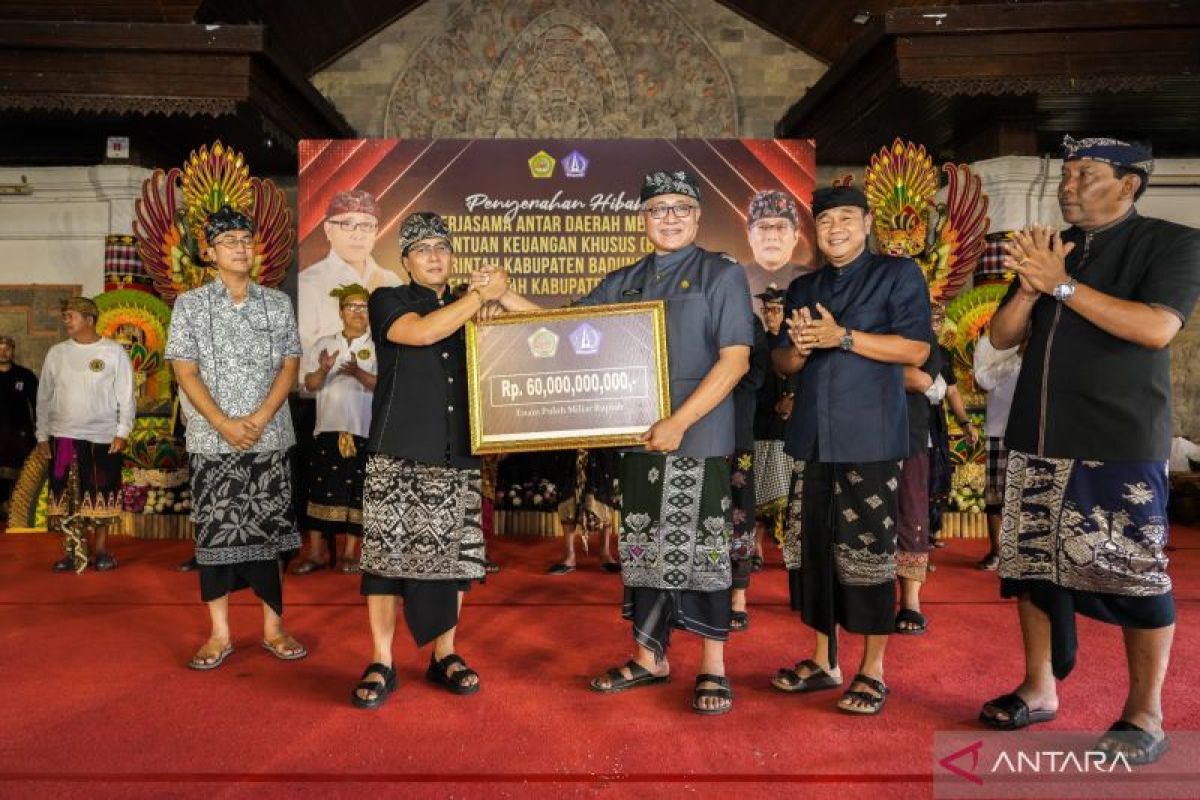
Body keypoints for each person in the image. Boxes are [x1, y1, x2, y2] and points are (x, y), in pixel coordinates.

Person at [495, 170, 754, 715]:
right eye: (658, 208)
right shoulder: (624, 279)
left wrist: (680, 421)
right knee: (643, 550)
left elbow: (736, 360)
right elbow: (566, 329)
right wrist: (505, 297)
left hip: (697, 435)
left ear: (699, 215)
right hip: (636, 437)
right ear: (643, 219)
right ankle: (648, 656)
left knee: (703, 551)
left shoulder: (721, 274)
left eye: (681, 207)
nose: (670, 217)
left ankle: (713, 666)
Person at [979, 136, 1200, 765]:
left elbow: (1156, 328)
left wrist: (1064, 286)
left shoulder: (1171, 243)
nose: (1069, 185)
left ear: (1128, 185)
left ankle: (1144, 712)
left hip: (1118, 443)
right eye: (1066, 174)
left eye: (1086, 174)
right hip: (1037, 440)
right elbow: (1001, 337)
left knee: (1136, 576)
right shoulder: (1059, 250)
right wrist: (1028, 286)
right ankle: (1039, 686)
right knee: (1031, 572)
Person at [769, 186, 931, 716]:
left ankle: (872, 669)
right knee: (813, 551)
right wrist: (797, 345)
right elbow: (784, 367)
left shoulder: (897, 275)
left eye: (845, 218)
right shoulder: (803, 285)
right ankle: (824, 660)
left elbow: (914, 350)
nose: (834, 228)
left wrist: (842, 338)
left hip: (872, 437)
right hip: (814, 437)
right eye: (824, 221)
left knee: (868, 554)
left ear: (866, 222)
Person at [351, 212, 507, 709]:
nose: (434, 256)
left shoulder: (468, 305)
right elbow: (418, 334)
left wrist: (497, 293)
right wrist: (479, 297)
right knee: (385, 562)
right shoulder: (387, 299)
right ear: (406, 262)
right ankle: (382, 660)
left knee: (453, 560)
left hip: (456, 448)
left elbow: (529, 329)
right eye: (423, 250)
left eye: (442, 246)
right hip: (398, 447)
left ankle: (446, 653)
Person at [166, 205, 306, 670]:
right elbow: (183, 369)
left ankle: (274, 627)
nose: (241, 248)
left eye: (246, 239)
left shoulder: (277, 303)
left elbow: (289, 363)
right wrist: (224, 423)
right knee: (216, 537)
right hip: (213, 440)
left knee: (272, 535)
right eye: (229, 241)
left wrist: (263, 415)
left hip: (270, 437)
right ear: (208, 252)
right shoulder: (190, 306)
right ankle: (220, 634)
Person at [36, 298, 135, 572]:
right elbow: (43, 397)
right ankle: (71, 551)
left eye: (71, 316)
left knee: (100, 494)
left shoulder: (113, 352)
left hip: (102, 436)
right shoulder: (56, 353)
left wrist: (123, 431)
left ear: (90, 319)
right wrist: (42, 435)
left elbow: (126, 396)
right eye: (65, 316)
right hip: (63, 437)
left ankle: (102, 551)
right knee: (65, 495)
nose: (66, 321)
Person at [294, 283, 376, 575]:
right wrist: (325, 368)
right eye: (352, 307)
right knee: (319, 490)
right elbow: (310, 384)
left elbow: (383, 386)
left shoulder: (376, 345)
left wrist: (357, 372)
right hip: (327, 429)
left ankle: (352, 555)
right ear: (341, 312)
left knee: (358, 494)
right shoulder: (324, 343)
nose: (358, 313)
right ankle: (316, 552)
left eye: (363, 307)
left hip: (363, 430)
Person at [298, 190, 402, 357]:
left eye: (367, 225)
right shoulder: (307, 284)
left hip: (388, 382)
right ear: (328, 229)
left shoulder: (392, 281)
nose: (358, 235)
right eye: (347, 224)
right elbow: (304, 361)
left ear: (376, 231)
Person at [894, 331, 942, 634]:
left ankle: (910, 602)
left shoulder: (922, 332)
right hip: (859, 434)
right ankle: (864, 597)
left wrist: (867, 365)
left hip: (910, 433)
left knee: (911, 517)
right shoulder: (862, 321)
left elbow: (922, 381)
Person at [971, 333, 1020, 570]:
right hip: (999, 428)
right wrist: (1019, 356)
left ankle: (1024, 553)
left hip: (1036, 429)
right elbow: (983, 380)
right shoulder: (988, 343)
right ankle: (996, 551)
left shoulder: (1046, 335)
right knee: (995, 495)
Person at [751, 289, 796, 552]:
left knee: (788, 495)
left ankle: (789, 549)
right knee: (757, 491)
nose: (771, 315)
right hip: (761, 423)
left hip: (787, 430)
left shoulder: (793, 343)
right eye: (767, 310)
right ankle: (756, 547)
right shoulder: (758, 342)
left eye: (776, 310)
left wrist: (793, 402)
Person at [546, 449, 622, 575]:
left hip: (599, 444)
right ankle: (569, 556)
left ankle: (605, 554)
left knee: (603, 496)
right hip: (571, 445)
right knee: (568, 497)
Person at [742, 190, 813, 316]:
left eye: (781, 227)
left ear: (796, 235)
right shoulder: (731, 281)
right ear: (749, 236)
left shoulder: (815, 283)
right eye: (763, 227)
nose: (772, 236)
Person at [0, 335, 38, 521]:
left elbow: (38, 404)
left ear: (13, 350)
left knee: (21, 477)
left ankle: (17, 514)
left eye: (7, 348)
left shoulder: (25, 376)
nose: (3, 352)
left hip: (20, 437)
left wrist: (41, 429)